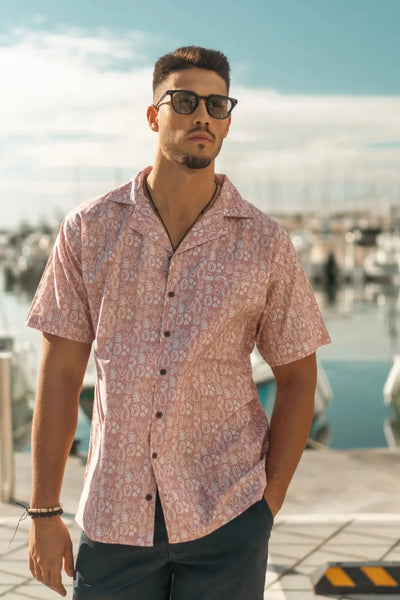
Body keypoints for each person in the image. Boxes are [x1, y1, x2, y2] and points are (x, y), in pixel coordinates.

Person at [26, 46, 330, 599]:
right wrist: (45, 511)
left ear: (229, 122)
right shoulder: (88, 231)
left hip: (229, 513)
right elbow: (62, 373)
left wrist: (270, 500)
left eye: (217, 105)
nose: (203, 117)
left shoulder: (264, 244)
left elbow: (297, 376)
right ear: (153, 115)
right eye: (185, 101)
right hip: (115, 516)